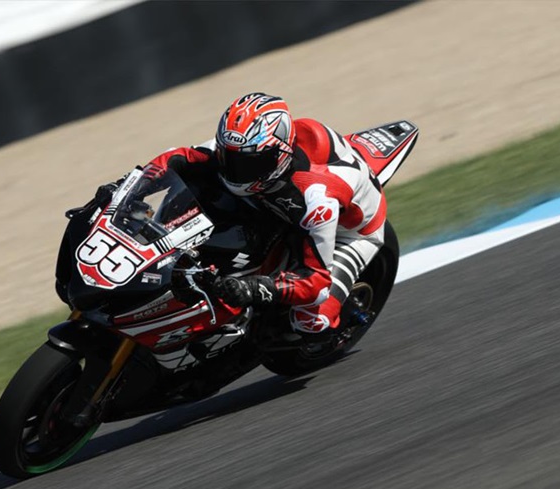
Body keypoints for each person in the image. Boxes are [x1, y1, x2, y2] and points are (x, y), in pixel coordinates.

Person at [146, 92, 387, 341]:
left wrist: (254, 288)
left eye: (248, 164)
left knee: (312, 322)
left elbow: (316, 283)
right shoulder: (243, 147)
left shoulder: (315, 200)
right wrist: (134, 185)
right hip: (277, 201)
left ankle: (323, 322)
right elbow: (178, 158)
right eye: (230, 158)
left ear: (278, 156)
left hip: (352, 233)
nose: (235, 171)